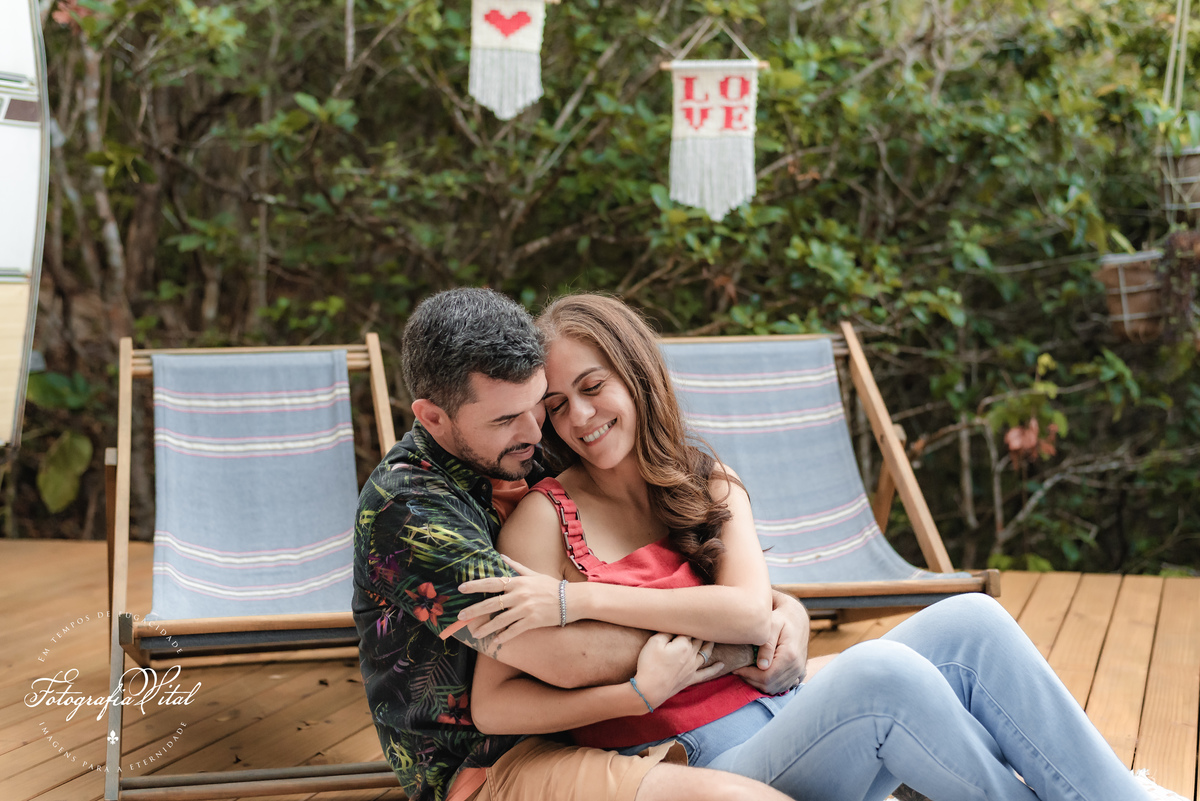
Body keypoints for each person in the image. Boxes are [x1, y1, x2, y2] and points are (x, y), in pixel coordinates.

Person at [456, 292, 1184, 801]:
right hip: (707, 763)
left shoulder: (707, 482)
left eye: (593, 386)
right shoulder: (542, 522)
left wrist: (575, 599)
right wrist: (637, 686)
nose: (579, 416)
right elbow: (495, 697)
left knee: (972, 620)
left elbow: (747, 611)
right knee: (881, 672)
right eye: (556, 406)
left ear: (637, 375)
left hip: (788, 710)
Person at [352, 287, 807, 801]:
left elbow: (681, 574)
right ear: (433, 418)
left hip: (605, 734)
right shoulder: (410, 509)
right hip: (495, 766)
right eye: (505, 419)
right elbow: (563, 656)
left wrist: (782, 610)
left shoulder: (537, 447)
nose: (534, 432)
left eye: (537, 407)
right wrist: (738, 636)